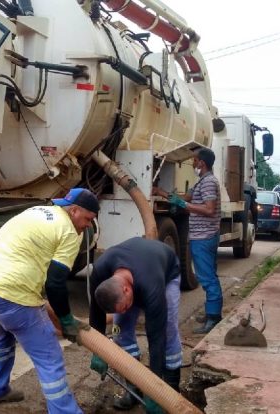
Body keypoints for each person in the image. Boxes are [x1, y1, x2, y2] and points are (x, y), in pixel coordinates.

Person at [0, 187, 99, 413]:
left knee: (2, 335)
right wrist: (66, 320)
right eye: (88, 219)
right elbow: (56, 283)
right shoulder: (68, 231)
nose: (88, 225)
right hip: (12, 295)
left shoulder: (38, 211)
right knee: (49, 355)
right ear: (75, 211)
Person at [87, 237, 182, 413]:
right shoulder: (100, 271)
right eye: (120, 309)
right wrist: (97, 350)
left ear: (126, 290)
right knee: (120, 328)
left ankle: (171, 388)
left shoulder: (152, 286)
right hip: (136, 270)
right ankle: (133, 388)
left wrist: (156, 393)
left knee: (167, 330)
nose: (124, 312)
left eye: (124, 307)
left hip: (166, 274)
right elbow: (96, 313)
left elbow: (156, 338)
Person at [155, 147, 222, 334]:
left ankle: (214, 317)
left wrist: (184, 205)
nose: (192, 163)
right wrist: (162, 193)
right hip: (202, 235)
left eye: (194, 160)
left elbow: (209, 209)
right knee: (208, 275)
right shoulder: (202, 181)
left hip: (204, 236)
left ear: (202, 163)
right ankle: (211, 313)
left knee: (207, 278)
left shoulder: (209, 183)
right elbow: (185, 198)